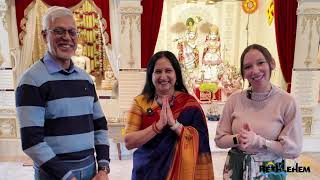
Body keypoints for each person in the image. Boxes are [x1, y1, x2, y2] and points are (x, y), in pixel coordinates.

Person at [15, 6, 110, 180]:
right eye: (58, 31)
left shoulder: (85, 79)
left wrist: (103, 167)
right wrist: (67, 176)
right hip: (53, 175)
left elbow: (100, 126)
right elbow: (32, 142)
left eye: (72, 32)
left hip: (91, 171)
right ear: (45, 36)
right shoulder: (31, 81)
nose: (67, 37)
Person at [215, 44, 303, 180]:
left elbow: (293, 150)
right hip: (236, 168)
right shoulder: (234, 99)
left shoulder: (287, 101)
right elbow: (220, 140)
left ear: (272, 63)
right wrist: (239, 138)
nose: (255, 71)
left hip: (270, 171)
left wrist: (260, 141)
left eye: (260, 63)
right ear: (243, 74)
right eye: (248, 67)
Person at [124, 51, 214, 180]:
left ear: (176, 74)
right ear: (151, 75)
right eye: (158, 71)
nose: (163, 76)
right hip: (147, 173)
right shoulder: (140, 103)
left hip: (181, 174)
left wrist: (175, 125)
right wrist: (158, 126)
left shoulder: (190, 104)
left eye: (168, 71)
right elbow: (129, 142)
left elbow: (201, 142)